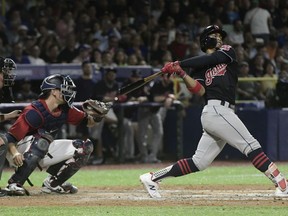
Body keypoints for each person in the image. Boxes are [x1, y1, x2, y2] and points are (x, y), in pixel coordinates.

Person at [139, 25, 288, 198]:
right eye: (214, 35)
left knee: (199, 162)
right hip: (215, 111)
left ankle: (151, 178)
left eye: (219, 35)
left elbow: (210, 59)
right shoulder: (199, 67)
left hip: (220, 113)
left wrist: (180, 64)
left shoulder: (227, 51)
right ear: (205, 39)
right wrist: (181, 72)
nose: (219, 38)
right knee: (251, 145)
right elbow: (199, 90)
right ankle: (282, 184)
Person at [0, 74, 110, 196]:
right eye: (65, 89)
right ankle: (15, 183)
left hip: (43, 146)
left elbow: (89, 122)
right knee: (43, 138)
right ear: (54, 91)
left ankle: (53, 184)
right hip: (18, 150)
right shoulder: (34, 111)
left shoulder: (65, 109)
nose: (69, 92)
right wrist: (15, 153)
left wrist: (99, 115)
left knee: (84, 147)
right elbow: (10, 138)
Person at [137, 73, 175, 163]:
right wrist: (167, 97)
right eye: (167, 76)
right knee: (142, 135)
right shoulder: (156, 84)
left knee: (159, 132)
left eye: (171, 76)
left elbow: (173, 95)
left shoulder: (171, 84)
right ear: (162, 77)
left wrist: (170, 98)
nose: (169, 78)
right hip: (145, 110)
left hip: (155, 111)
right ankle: (144, 157)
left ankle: (152, 156)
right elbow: (156, 98)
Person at [0, 57, 22, 197]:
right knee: (1, 141)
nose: (7, 75)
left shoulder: (5, 90)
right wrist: (8, 116)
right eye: (3, 72)